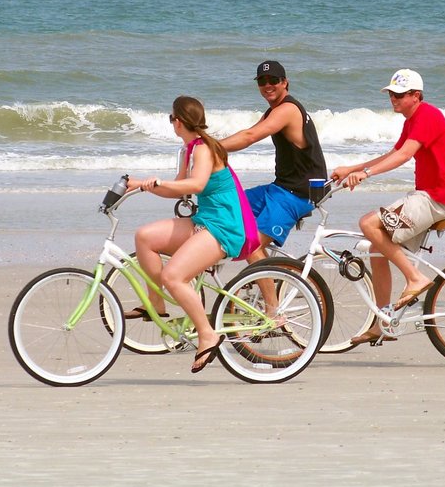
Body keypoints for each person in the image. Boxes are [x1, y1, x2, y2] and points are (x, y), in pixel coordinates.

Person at [331, 68, 445, 346]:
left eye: (399, 94)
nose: (393, 98)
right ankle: (384, 323)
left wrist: (366, 175)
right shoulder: (412, 120)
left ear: (416, 96)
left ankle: (415, 278)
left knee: (369, 223)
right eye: (391, 93)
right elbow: (392, 153)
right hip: (428, 196)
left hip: (437, 197)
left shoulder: (427, 115)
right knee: (376, 248)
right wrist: (352, 168)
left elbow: (404, 155)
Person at [126, 95, 246, 373]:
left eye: (171, 118)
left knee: (173, 276)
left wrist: (156, 184)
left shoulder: (203, 149)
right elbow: (179, 187)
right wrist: (140, 185)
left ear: (178, 121)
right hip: (203, 220)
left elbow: (198, 183)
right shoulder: (188, 150)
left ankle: (207, 334)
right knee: (144, 237)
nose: (172, 123)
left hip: (222, 226)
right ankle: (155, 308)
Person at [220, 60, 328, 262]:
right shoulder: (273, 111)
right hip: (280, 188)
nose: (267, 85)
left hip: (298, 194)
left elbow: (250, 136)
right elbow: (247, 134)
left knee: (250, 247)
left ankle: (271, 294)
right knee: (230, 206)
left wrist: (208, 146)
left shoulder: (288, 110)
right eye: (262, 81)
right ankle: (274, 274)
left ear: (285, 82)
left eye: (273, 80)